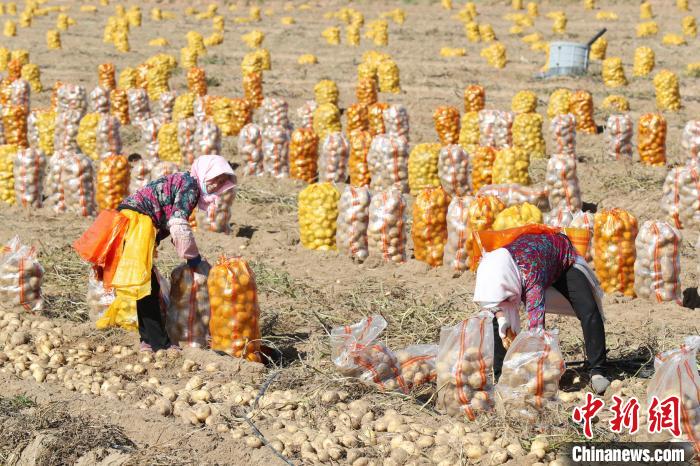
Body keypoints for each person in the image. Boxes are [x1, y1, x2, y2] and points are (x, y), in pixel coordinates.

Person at [74, 154, 236, 352]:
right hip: (136, 225)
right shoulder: (190, 187)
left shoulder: (184, 181)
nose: (215, 185)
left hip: (128, 222)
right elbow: (178, 224)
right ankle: (160, 343)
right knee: (147, 288)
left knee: (146, 286)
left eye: (220, 182)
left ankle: (148, 341)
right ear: (204, 174)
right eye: (214, 179)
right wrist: (193, 258)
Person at [473, 230, 610, 394]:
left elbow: (536, 328)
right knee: (497, 323)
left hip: (562, 260)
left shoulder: (530, 276)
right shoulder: (493, 267)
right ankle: (502, 375)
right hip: (533, 261)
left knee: (588, 308)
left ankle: (598, 371)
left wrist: (532, 367)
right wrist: (502, 319)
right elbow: (493, 299)